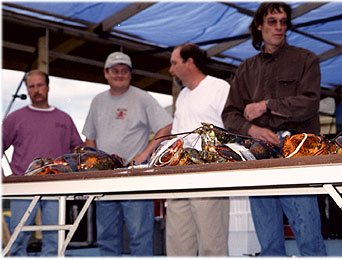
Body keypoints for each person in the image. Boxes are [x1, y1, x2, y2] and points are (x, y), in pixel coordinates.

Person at [222, 2, 327, 256]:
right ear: (259, 26)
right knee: (268, 244)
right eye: (272, 22)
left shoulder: (306, 60)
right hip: (258, 155)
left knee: (309, 239)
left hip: (296, 155)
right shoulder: (246, 69)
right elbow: (229, 114)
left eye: (283, 22)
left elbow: (310, 104)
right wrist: (251, 129)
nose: (279, 27)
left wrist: (266, 105)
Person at [82, 51, 172, 256]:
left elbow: (166, 126)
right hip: (105, 179)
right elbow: (89, 137)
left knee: (140, 237)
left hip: (135, 177)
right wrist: (94, 164)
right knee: (106, 238)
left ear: (131, 74)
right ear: (106, 73)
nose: (119, 74)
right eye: (115, 70)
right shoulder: (97, 101)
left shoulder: (142, 97)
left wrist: (145, 154)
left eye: (124, 71)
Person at [2, 69, 83, 256]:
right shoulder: (15, 118)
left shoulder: (64, 119)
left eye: (40, 85)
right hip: (23, 186)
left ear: (48, 87)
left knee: (55, 239)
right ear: (27, 90)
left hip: (56, 186)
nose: (36, 90)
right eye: (31, 86)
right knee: (17, 239)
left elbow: (78, 151)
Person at [166, 43, 230, 256]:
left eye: (174, 63)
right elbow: (175, 136)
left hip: (209, 177)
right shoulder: (183, 96)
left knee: (212, 244)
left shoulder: (219, 88)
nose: (170, 69)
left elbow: (232, 131)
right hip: (178, 177)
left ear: (190, 63)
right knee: (178, 244)